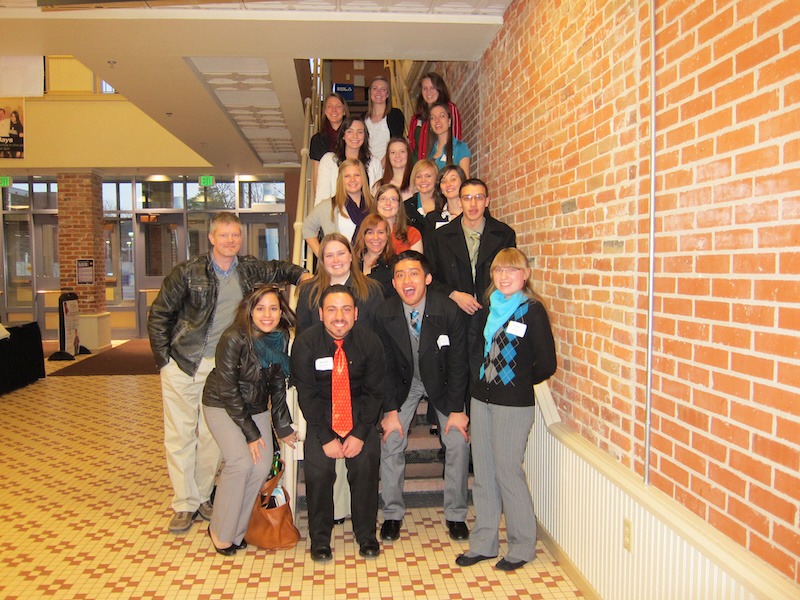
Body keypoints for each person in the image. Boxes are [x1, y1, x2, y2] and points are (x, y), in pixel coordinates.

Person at [148, 212, 309, 535]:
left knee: (212, 438)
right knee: (180, 435)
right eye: (224, 236)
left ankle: (204, 494)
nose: (230, 241)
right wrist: (165, 360)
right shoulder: (188, 271)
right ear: (211, 238)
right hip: (185, 362)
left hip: (225, 366)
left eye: (235, 235)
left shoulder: (248, 268)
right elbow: (159, 315)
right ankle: (184, 503)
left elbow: (280, 268)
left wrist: (304, 275)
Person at [455, 248, 557, 571]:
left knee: (508, 472)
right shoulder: (490, 308)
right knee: (483, 473)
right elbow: (479, 354)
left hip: (513, 404)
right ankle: (484, 542)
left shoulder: (532, 311)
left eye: (512, 271)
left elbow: (547, 363)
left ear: (525, 274)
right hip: (480, 400)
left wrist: (517, 384)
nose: (504, 276)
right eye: (499, 271)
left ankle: (523, 545)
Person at [373, 251, 470, 543]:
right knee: (391, 440)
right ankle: (391, 513)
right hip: (405, 383)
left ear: (427, 278)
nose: (407, 280)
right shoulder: (384, 314)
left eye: (414, 273)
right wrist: (390, 411)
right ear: (393, 282)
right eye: (400, 275)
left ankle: (455, 514)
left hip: (441, 381)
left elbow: (458, 362)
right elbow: (385, 366)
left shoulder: (448, 310)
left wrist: (456, 410)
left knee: (456, 441)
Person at [291, 285, 386, 562]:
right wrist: (325, 438)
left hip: (359, 412)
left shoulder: (370, 342)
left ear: (356, 313)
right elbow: (306, 396)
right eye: (331, 310)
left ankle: (366, 534)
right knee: (318, 473)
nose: (339, 316)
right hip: (321, 413)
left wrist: (359, 433)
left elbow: (374, 393)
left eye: (346, 309)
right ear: (321, 314)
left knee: (366, 465)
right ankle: (320, 539)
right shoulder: (305, 343)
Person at [201, 285, 297, 555]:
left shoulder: (280, 338)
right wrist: (252, 434)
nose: (267, 314)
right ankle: (220, 530)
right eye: (260, 308)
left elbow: (278, 385)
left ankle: (238, 529)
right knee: (240, 463)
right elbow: (228, 389)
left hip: (256, 407)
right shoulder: (233, 337)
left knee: (261, 465)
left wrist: (282, 426)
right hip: (222, 404)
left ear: (281, 312)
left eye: (274, 308)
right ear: (250, 310)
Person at [295, 233, 384, 524]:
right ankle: (332, 512)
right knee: (325, 455)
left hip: (358, 381)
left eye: (341, 253)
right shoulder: (309, 291)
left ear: (352, 256)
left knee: (359, 453)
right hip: (323, 385)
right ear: (321, 261)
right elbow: (305, 338)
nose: (335, 260)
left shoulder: (370, 290)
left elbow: (377, 338)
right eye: (328, 255)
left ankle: (349, 511)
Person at [429, 178, 516, 361]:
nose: (473, 203)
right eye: (467, 198)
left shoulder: (504, 234)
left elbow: (512, 276)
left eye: (479, 197)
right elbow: (430, 279)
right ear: (459, 202)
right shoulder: (440, 237)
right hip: (454, 316)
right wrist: (453, 294)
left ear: (487, 201)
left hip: (493, 315)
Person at [303, 159, 374, 255]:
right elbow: (307, 228)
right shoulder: (328, 206)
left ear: (363, 177)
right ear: (341, 179)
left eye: (357, 175)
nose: (352, 179)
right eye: (347, 176)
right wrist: (322, 256)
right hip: (339, 265)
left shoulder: (376, 204)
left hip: (370, 265)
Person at [315, 116, 383, 205]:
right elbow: (322, 196)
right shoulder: (329, 161)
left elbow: (378, 198)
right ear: (343, 135)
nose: (355, 136)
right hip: (336, 215)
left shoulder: (374, 163)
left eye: (360, 132)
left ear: (365, 136)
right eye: (350, 131)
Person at [408, 73, 462, 161]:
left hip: (440, 166)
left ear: (439, 89)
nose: (428, 92)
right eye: (425, 89)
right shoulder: (416, 118)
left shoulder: (450, 109)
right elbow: (412, 147)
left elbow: (455, 140)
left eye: (432, 88)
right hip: (419, 170)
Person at [310, 93, 349, 189]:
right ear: (325, 111)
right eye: (330, 106)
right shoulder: (317, 140)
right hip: (327, 190)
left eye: (338, 106)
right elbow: (316, 174)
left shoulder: (353, 138)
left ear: (344, 111)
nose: (334, 110)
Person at [364, 76, 405, 163]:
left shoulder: (395, 115)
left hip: (387, 166)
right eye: (375, 88)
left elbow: (396, 143)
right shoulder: (362, 118)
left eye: (383, 89)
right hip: (366, 166)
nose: (378, 92)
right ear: (370, 92)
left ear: (387, 94)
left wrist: (380, 167)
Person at [374, 183, 422, 254]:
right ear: (376, 203)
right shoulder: (367, 233)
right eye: (383, 199)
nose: (388, 203)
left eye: (393, 199)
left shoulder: (412, 234)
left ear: (399, 205)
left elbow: (415, 264)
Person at [427, 102, 470, 175]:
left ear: (449, 121)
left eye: (441, 116)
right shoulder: (430, 154)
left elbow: (465, 182)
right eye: (433, 117)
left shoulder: (460, 148)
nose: (437, 120)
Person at [403, 159, 440, 243]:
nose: (423, 180)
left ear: (436, 178)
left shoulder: (445, 205)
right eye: (419, 176)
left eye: (428, 176)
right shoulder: (406, 208)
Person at [425, 164, 466, 232]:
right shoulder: (432, 218)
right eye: (443, 181)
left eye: (453, 179)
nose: (448, 184)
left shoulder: (472, 215)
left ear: (463, 182)